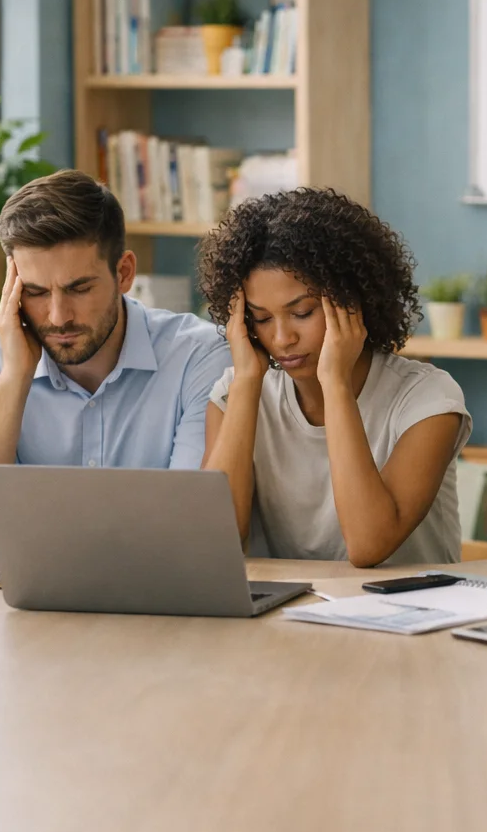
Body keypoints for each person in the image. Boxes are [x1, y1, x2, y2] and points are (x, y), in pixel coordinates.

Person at [198, 187, 471, 566]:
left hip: (409, 616)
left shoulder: (427, 400)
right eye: (261, 318)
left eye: (303, 312)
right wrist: (245, 382)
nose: (282, 338)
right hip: (286, 619)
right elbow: (213, 546)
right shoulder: (234, 395)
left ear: (352, 301)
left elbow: (367, 544)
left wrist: (336, 384)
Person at [0, 169, 228, 472]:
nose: (59, 317)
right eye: (36, 292)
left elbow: (191, 510)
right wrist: (13, 379)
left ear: (124, 273)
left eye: (80, 288)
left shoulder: (198, 357)